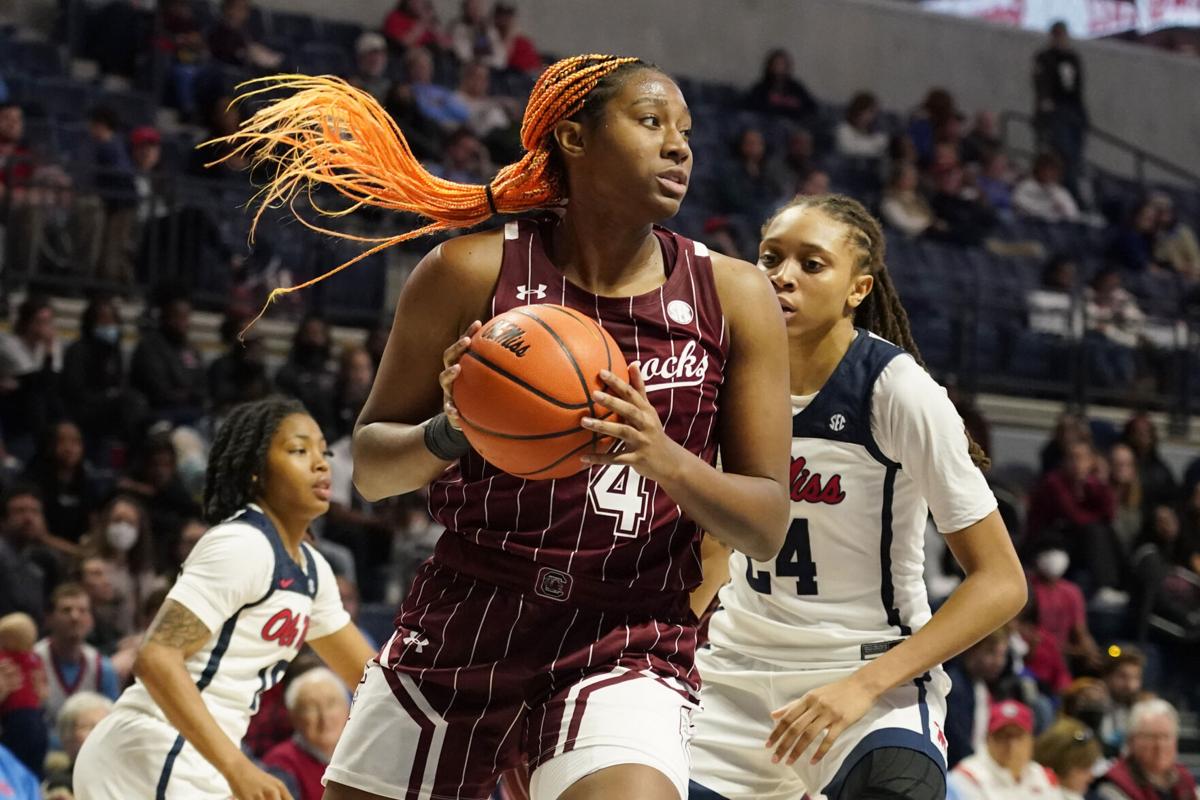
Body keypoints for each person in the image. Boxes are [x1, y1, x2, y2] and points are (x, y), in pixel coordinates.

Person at [215, 55, 792, 800]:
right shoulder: (467, 271)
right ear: (574, 140)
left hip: (626, 632)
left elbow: (767, 524)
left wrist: (662, 457)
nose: (679, 146)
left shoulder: (734, 295)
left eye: (685, 131)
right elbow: (372, 467)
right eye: (651, 123)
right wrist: (452, 430)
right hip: (468, 613)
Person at [685, 195, 1024, 800]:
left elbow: (1001, 581)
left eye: (812, 264)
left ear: (857, 288)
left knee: (897, 788)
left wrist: (863, 686)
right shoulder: (724, 377)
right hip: (732, 673)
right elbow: (714, 546)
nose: (783, 276)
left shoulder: (897, 391)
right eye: (771, 258)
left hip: (868, 675)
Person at [73, 397, 377, 799]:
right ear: (254, 472)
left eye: (324, 452)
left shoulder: (312, 570)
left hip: (199, 754)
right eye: (299, 451)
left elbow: (375, 681)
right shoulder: (241, 545)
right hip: (157, 748)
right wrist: (237, 767)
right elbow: (156, 659)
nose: (321, 464)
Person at [35, 584, 120, 727]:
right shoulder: (33, 660)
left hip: (88, 747)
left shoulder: (102, 668)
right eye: (66, 610)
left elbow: (112, 724)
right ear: (49, 618)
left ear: (91, 620)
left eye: (82, 611)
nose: (74, 617)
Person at [262, 667, 350, 800]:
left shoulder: (364, 753)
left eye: (331, 704)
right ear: (293, 717)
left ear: (348, 707)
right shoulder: (281, 764)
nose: (325, 717)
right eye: (310, 708)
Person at [947, 700, 1059, 799]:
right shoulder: (966, 777)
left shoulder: (1043, 777)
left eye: (1018, 736)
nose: (1012, 745)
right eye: (1003, 736)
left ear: (1031, 740)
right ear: (988, 739)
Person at [1091, 699, 1198, 800]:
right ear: (1131, 741)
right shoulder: (1114, 784)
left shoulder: (1184, 778)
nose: (1160, 746)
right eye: (1151, 737)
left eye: (1166, 737)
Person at [130, 291, 207, 426]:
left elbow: (202, 387)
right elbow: (158, 390)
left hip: (192, 411)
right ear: (165, 318)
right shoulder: (149, 347)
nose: (184, 322)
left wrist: (190, 394)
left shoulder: (191, 348)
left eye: (186, 317)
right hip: (160, 413)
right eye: (179, 317)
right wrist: (187, 394)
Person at [1032, 22, 1087, 196]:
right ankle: (1072, 192)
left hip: (1073, 110)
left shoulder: (1072, 58)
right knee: (1064, 152)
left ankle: (1072, 189)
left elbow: (1077, 88)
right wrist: (1045, 103)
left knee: (1074, 155)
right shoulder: (1045, 57)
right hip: (1056, 111)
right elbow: (1041, 82)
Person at [0, 611, 48, 775]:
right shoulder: (34, 658)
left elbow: (42, 689)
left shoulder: (29, 658)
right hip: (25, 717)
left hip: (24, 716)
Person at [42, 691, 114, 797]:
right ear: (66, 736)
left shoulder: (132, 776)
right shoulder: (58, 787)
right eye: (90, 727)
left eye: (106, 725)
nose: (100, 733)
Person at [1099, 646, 1146, 757]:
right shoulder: (1093, 706)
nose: (1130, 685)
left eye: (1136, 678)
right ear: (1107, 677)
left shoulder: (1143, 711)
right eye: (1123, 677)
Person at [746, 48, 817, 121]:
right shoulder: (760, 89)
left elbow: (811, 108)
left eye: (783, 65)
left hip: (793, 126)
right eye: (777, 64)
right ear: (770, 66)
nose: (780, 69)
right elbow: (751, 110)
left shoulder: (797, 89)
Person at [1013, 152, 1081, 224]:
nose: (1050, 174)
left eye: (1054, 170)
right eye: (1048, 169)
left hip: (1056, 229)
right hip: (1031, 226)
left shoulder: (1060, 191)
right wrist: (1048, 208)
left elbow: (1074, 215)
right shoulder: (1026, 186)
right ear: (1039, 169)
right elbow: (1020, 203)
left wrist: (1061, 207)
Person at [835, 92, 888, 159]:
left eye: (875, 112)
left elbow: (883, 146)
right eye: (870, 111)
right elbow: (849, 149)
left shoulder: (876, 133)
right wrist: (873, 146)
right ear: (859, 110)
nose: (873, 116)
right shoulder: (843, 129)